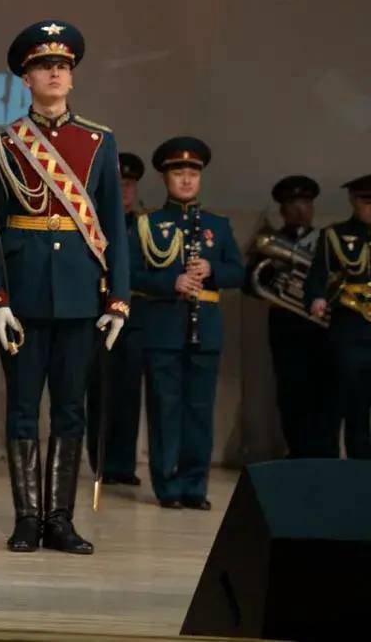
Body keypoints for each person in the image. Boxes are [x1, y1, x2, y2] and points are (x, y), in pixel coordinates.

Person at [0, 20, 129, 555]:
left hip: (80, 295)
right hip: (23, 294)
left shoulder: (98, 142)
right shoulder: (2, 144)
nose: (56, 72)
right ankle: (26, 518)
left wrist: (117, 300)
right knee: (21, 408)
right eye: (44, 65)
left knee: (69, 408)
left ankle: (59, 519)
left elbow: (113, 226)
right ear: (26, 76)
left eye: (63, 65)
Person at [131, 137, 243, 509]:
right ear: (165, 177)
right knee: (164, 410)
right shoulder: (148, 224)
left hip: (205, 329)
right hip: (163, 328)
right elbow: (129, 275)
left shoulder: (218, 225)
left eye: (192, 172)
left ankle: (196, 486)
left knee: (199, 410)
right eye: (178, 172)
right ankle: (168, 486)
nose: (186, 179)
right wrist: (170, 281)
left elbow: (239, 273)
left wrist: (212, 271)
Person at [254, 175, 338, 459]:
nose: (301, 209)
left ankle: (322, 452)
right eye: (293, 203)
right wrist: (275, 273)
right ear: (282, 209)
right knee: (290, 393)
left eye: (306, 202)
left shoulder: (327, 241)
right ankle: (298, 452)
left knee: (324, 394)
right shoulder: (272, 242)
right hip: (286, 329)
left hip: (322, 331)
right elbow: (250, 284)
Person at [86, 152, 147, 485]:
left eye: (130, 185)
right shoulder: (95, 222)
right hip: (97, 315)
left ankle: (124, 465)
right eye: (119, 184)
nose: (125, 191)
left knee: (128, 393)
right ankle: (102, 462)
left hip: (133, 319)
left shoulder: (144, 225)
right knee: (99, 391)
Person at [306, 175, 371, 459]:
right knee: (348, 402)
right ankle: (346, 468)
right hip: (350, 326)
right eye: (367, 202)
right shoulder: (335, 235)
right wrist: (317, 297)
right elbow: (318, 273)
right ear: (354, 201)